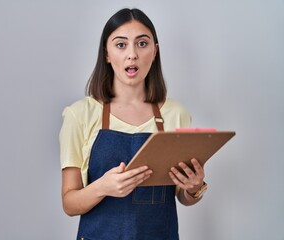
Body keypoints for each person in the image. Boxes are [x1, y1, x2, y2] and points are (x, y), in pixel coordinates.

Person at [59, 8, 207, 240]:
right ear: (106, 53)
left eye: (142, 43)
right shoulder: (79, 115)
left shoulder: (177, 114)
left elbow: (182, 196)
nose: (132, 54)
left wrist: (194, 187)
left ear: (155, 51)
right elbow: (69, 203)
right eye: (120, 45)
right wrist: (103, 187)